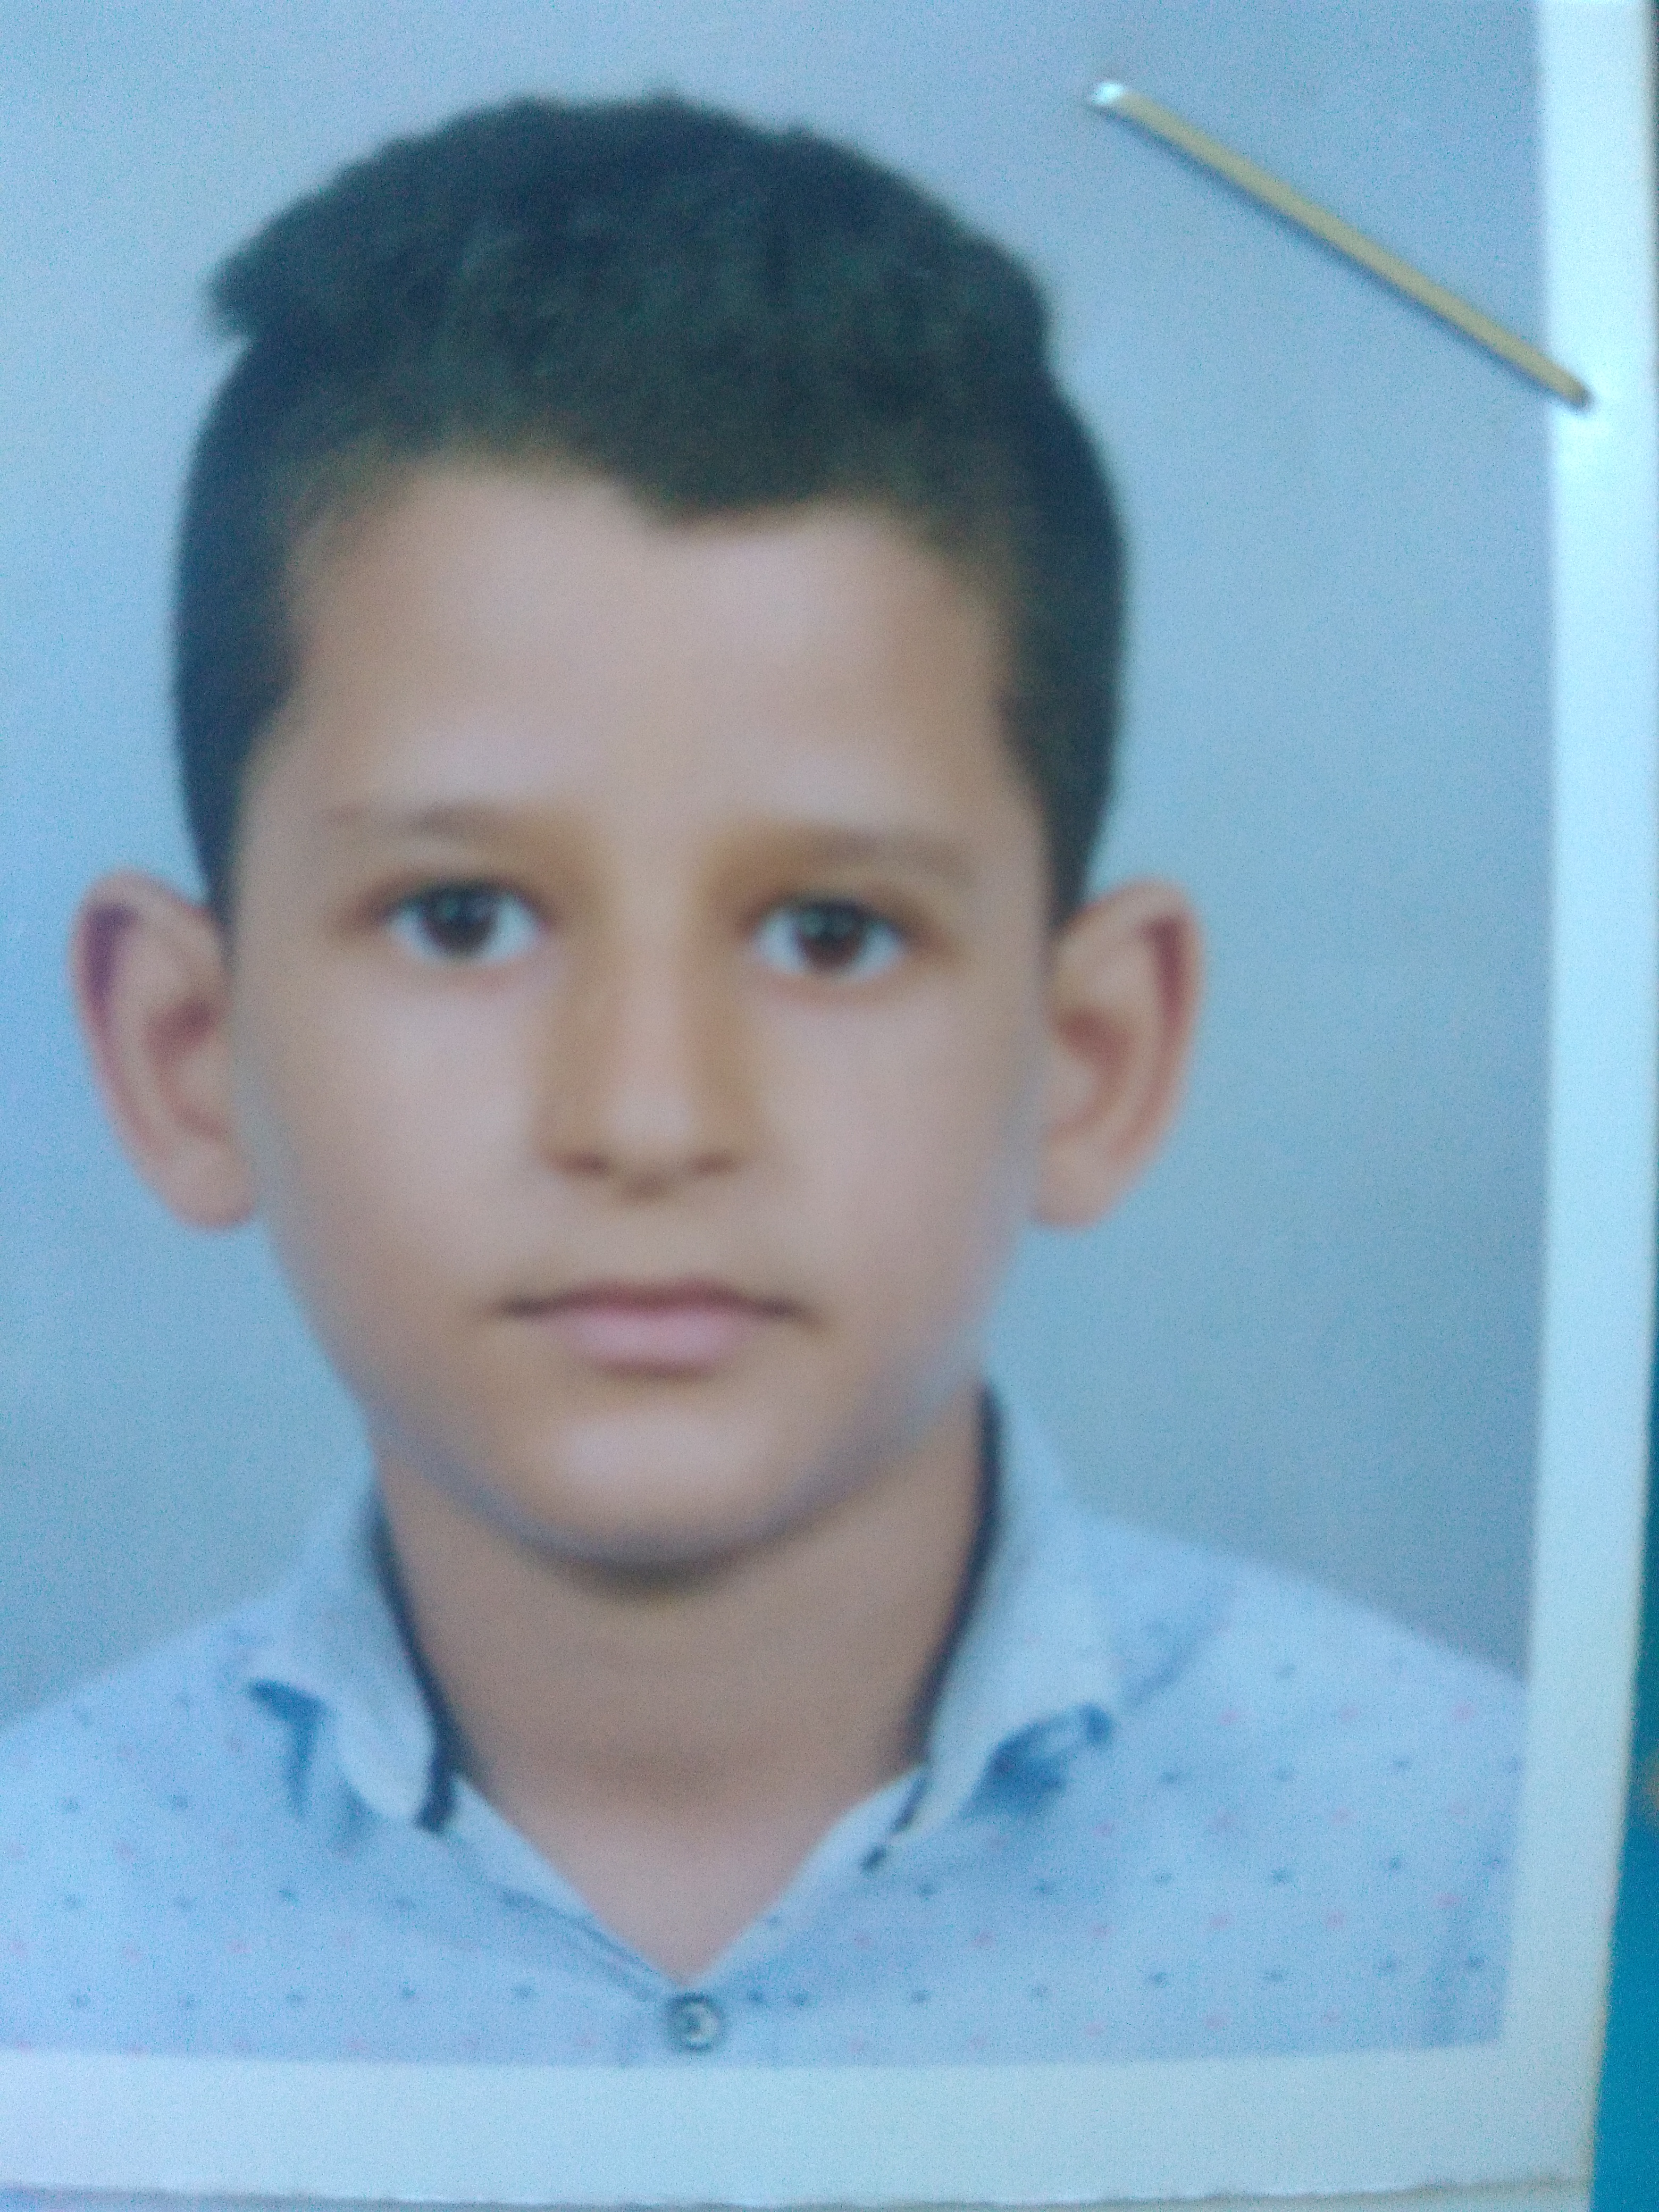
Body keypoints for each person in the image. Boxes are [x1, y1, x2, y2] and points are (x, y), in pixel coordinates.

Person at [0, 94, 1520, 2066]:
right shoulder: (39, 1923)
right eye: (461, 917)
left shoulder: (1471, 1889)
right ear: (184, 1053)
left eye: (830, 933)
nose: (648, 1119)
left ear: (1094, 1055)